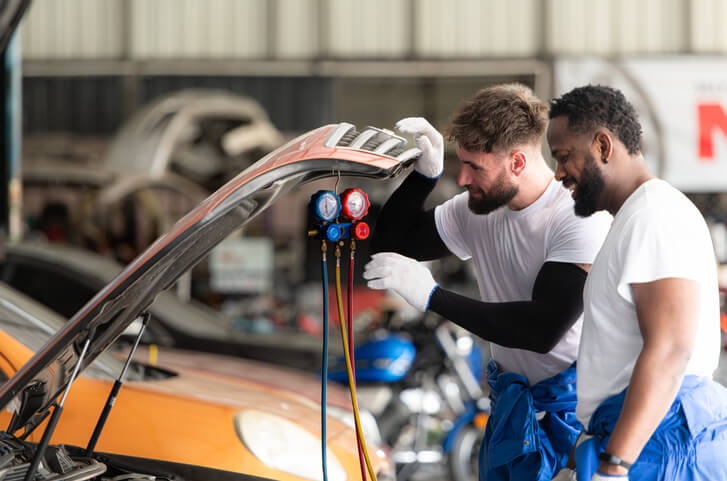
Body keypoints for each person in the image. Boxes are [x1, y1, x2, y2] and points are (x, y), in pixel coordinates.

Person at [363, 84, 612, 481]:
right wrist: (424, 176)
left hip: (571, 412)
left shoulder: (578, 218)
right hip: (509, 401)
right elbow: (390, 246)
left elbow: (541, 329)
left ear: (516, 162)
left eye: (474, 167)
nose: (462, 178)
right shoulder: (476, 210)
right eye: (459, 163)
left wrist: (432, 296)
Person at [547, 85, 727, 481]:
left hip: (663, 443)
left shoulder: (654, 215)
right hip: (646, 435)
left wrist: (616, 464)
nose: (559, 173)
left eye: (563, 157)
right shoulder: (634, 219)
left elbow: (670, 348)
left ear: (602, 146)